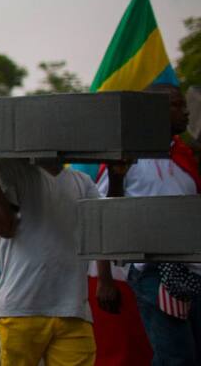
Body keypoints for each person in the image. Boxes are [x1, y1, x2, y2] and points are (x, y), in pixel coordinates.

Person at [0, 141, 99, 366]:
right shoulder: (10, 166)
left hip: (73, 311)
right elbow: (5, 228)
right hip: (22, 309)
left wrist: (118, 175)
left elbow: (103, 228)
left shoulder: (83, 183)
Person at [96, 83, 201, 365]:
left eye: (184, 105)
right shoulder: (127, 156)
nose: (186, 112)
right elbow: (103, 215)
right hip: (152, 270)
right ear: (152, 111)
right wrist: (105, 278)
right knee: (175, 357)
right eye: (176, 105)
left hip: (193, 268)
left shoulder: (185, 156)